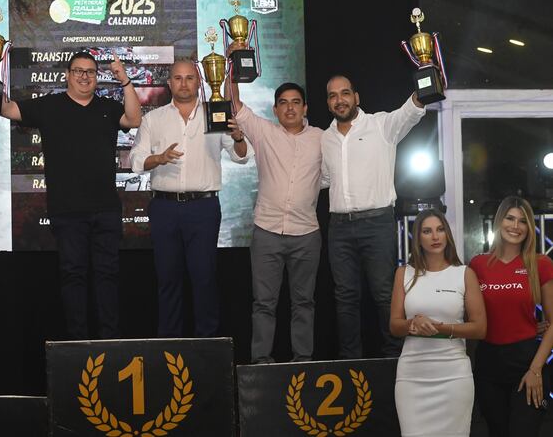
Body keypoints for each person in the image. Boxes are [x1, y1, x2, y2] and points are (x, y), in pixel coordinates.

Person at [0, 51, 141, 339]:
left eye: (91, 72)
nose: (84, 76)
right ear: (67, 75)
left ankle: (110, 340)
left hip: (106, 209)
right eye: (78, 71)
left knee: (107, 276)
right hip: (67, 211)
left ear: (97, 77)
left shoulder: (107, 107)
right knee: (74, 276)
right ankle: (78, 343)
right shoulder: (49, 106)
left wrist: (124, 81)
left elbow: (134, 119)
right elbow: (7, 109)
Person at [129, 59, 251, 337]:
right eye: (178, 78)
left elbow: (241, 156)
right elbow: (135, 160)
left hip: (204, 208)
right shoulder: (153, 119)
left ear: (199, 82)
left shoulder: (217, 113)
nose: (184, 83)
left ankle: (208, 346)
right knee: (167, 280)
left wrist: (239, 137)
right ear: (169, 83)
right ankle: (169, 345)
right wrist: (157, 158)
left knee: (204, 279)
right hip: (164, 208)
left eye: (189, 78)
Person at [224, 58, 322, 362]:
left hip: (307, 234)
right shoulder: (264, 132)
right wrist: (232, 63)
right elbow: (234, 102)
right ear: (275, 109)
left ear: (305, 108)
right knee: (264, 303)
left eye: (296, 103)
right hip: (267, 232)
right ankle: (261, 363)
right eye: (283, 103)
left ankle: (303, 361)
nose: (290, 108)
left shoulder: (323, 138)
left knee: (304, 302)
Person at [321, 75, 425, 358]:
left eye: (345, 93)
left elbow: (410, 112)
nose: (339, 100)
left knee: (383, 294)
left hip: (377, 224)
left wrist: (426, 83)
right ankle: (350, 363)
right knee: (345, 299)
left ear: (356, 97)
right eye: (333, 95)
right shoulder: (325, 139)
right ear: (328, 102)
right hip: (339, 228)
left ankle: (393, 358)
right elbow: (321, 179)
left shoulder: (381, 125)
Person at [390, 209, 486, 437]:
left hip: (454, 376)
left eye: (440, 230)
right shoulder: (403, 273)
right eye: (427, 231)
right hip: (412, 376)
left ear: (447, 235)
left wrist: (442, 329)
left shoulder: (464, 273)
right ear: (418, 238)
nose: (435, 236)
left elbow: (480, 328)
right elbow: (394, 325)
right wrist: (413, 324)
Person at [469, 196, 553, 437]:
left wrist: (536, 369)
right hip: (488, 363)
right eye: (510, 218)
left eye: (522, 221)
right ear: (499, 221)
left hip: (526, 362)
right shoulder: (478, 264)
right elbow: (472, 316)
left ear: (529, 228)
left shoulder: (541, 263)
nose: (515, 226)